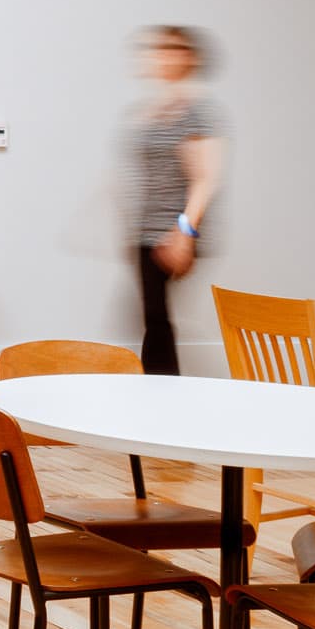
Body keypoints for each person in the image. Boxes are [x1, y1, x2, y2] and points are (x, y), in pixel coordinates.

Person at [124, 23, 226, 376]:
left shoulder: (195, 113)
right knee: (154, 318)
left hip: (172, 232)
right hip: (146, 230)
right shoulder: (152, 111)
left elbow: (206, 179)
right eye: (160, 50)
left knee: (156, 319)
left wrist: (185, 232)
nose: (164, 56)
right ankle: (160, 395)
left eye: (173, 50)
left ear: (190, 59)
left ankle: (162, 398)